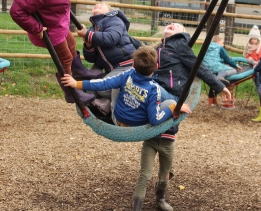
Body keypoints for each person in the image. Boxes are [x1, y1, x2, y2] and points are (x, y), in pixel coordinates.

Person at [132, 23, 232, 211]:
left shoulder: (179, 45)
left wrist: (219, 86)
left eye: (177, 26)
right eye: (169, 25)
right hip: (154, 99)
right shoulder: (156, 49)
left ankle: (160, 198)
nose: (172, 24)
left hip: (170, 97)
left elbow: (198, 68)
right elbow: (139, 54)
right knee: (145, 171)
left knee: (165, 170)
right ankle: (138, 205)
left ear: (182, 34)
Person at [9, 0, 102, 105]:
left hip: (59, 21)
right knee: (65, 59)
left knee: (72, 44)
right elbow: (16, 11)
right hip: (51, 30)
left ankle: (79, 71)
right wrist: (36, 28)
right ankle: (70, 92)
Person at [61, 45, 191, 127]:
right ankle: (171, 103)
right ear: (156, 67)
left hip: (117, 120)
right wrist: (174, 107)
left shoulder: (128, 73)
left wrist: (76, 83)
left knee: (116, 82)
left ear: (133, 65)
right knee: (170, 101)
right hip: (138, 127)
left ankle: (106, 104)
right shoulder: (154, 89)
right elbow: (154, 120)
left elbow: (104, 83)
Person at [203, 35, 242, 105]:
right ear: (217, 41)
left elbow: (210, 57)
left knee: (214, 82)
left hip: (205, 67)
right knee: (233, 70)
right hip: (215, 66)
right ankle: (221, 75)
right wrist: (236, 65)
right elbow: (227, 59)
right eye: (222, 42)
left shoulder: (206, 46)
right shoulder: (219, 47)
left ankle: (211, 102)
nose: (223, 44)